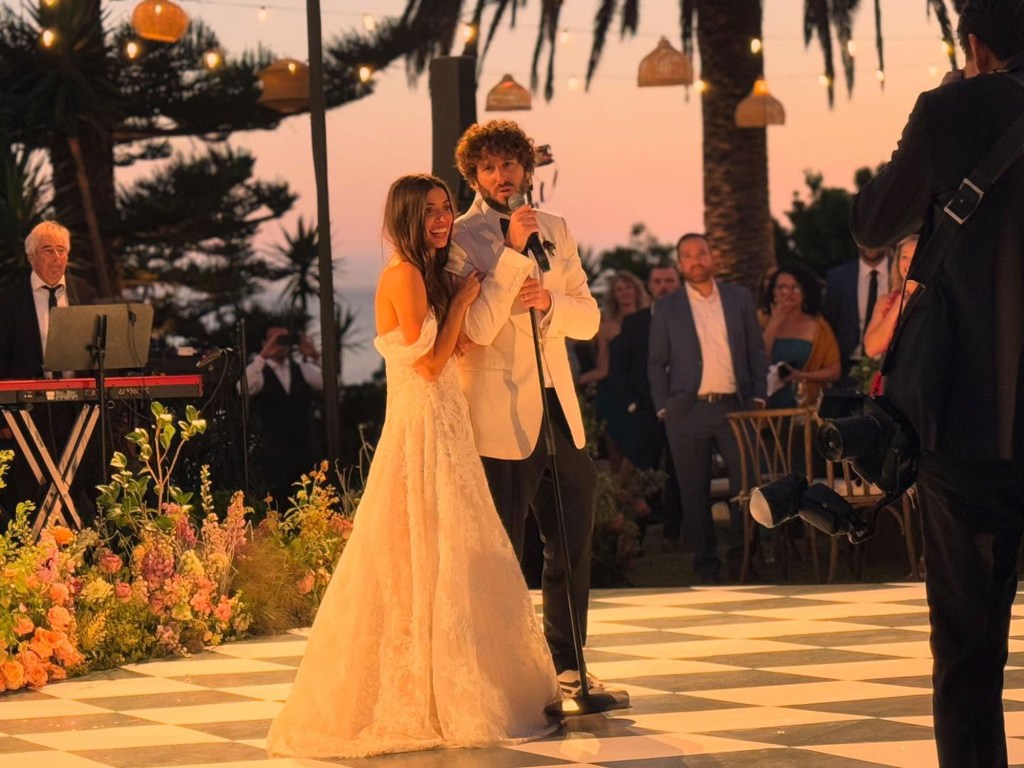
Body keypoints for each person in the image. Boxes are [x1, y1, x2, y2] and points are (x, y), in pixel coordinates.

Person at [266, 174, 558, 760]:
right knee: (417, 546)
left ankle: (455, 677)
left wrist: (469, 304)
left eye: (446, 208)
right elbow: (427, 364)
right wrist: (464, 304)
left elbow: (456, 346)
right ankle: (418, 690)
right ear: (406, 216)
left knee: (453, 547)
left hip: (446, 420)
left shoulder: (429, 274)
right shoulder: (402, 274)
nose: (442, 219)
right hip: (422, 423)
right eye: (429, 211)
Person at [851, 3, 1024, 765]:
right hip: (975, 419)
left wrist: (932, 119)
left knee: (967, 646)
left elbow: (873, 223)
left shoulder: (951, 110)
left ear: (976, 45)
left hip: (970, 414)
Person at [449, 119, 601, 695]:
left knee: (572, 538)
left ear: (526, 168)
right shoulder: (460, 237)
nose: (500, 175)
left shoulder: (555, 227)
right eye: (487, 167)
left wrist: (551, 304)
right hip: (498, 412)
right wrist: (512, 254)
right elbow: (476, 330)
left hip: (558, 404)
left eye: (508, 164)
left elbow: (590, 318)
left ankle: (569, 663)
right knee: (503, 549)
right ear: (474, 176)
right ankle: (505, 671)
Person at [648, 233, 767, 582]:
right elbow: (656, 363)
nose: (695, 260)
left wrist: (759, 396)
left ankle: (744, 560)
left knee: (746, 487)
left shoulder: (738, 298)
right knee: (693, 491)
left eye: (701, 252)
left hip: (736, 407)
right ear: (679, 264)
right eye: (687, 255)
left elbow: (756, 351)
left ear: (712, 256)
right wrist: (663, 407)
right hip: (687, 412)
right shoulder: (667, 308)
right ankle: (706, 566)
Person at [0, 221, 95, 524]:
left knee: (77, 492)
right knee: (31, 496)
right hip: (27, 415)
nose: (57, 258)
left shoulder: (85, 294)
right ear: (31, 257)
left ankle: (79, 545)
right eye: (48, 250)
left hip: (80, 413)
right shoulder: (8, 301)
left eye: (62, 250)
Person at [616, 264, 685, 551]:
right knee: (643, 475)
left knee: (680, 473)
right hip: (645, 409)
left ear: (679, 284)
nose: (664, 286)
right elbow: (621, 368)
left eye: (669, 280)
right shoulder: (635, 322)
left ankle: (673, 535)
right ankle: (636, 538)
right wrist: (633, 403)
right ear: (649, 286)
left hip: (683, 408)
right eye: (658, 281)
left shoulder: (691, 320)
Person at [578, 270, 650, 471]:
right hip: (614, 394)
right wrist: (574, 380)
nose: (624, 292)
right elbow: (603, 369)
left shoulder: (650, 320)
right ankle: (619, 491)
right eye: (619, 289)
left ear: (636, 290)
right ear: (614, 295)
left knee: (640, 452)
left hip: (642, 393)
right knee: (615, 456)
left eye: (628, 287)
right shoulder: (606, 327)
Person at [243, 327, 324, 503]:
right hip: (275, 452)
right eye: (275, 340)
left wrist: (315, 356)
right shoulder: (260, 373)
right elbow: (243, 388)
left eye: (284, 340)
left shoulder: (303, 370)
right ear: (265, 343)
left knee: (315, 500)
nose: (280, 346)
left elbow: (330, 383)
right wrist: (263, 356)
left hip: (305, 447)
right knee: (279, 503)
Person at [761, 264, 841, 408]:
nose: (788, 293)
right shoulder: (761, 321)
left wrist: (800, 375)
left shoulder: (819, 327)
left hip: (804, 405)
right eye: (782, 287)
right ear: (773, 291)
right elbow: (758, 360)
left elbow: (834, 371)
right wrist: (774, 322)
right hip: (766, 407)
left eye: (795, 287)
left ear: (805, 292)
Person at [822, 243, 892, 384]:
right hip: (847, 367)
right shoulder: (838, 277)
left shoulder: (902, 272)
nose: (870, 243)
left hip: (890, 368)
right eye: (864, 236)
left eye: (875, 236)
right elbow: (829, 323)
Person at [862, 234, 920, 359]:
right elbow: (871, 349)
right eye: (904, 257)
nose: (909, 263)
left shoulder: (939, 299)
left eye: (916, 256)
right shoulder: (887, 301)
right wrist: (902, 299)